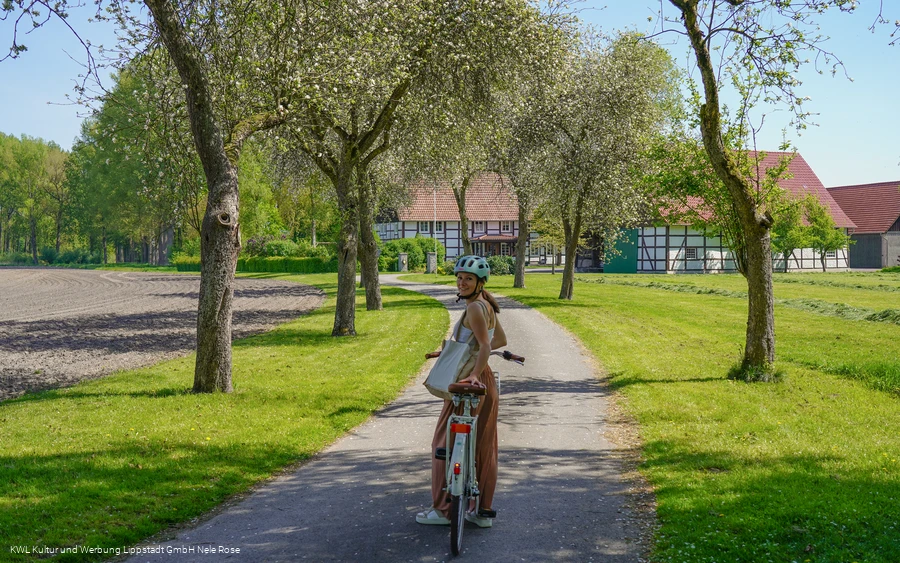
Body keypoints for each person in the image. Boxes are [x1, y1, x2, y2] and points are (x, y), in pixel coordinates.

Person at [416, 255, 507, 528]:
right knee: (484, 444)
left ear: (480, 283)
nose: (462, 282)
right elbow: (498, 339)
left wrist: (474, 373)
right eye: (459, 277)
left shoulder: (475, 309)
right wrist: (450, 351)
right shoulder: (486, 305)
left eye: (468, 279)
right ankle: (481, 511)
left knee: (442, 442)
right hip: (485, 384)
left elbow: (487, 345)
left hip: (469, 383)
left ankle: (443, 510)